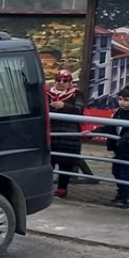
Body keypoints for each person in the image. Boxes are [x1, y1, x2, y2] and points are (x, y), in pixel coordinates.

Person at [46, 69, 82, 197]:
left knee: (66, 163)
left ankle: (62, 188)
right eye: (58, 80)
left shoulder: (76, 94)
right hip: (52, 131)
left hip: (69, 134)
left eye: (65, 81)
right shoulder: (47, 93)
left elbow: (79, 109)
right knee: (49, 161)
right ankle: (46, 188)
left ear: (70, 82)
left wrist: (64, 106)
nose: (61, 83)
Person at [102, 85, 129, 208]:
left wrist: (124, 139)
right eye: (120, 99)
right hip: (118, 147)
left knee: (125, 172)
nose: (122, 102)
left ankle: (123, 195)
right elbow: (110, 126)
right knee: (116, 170)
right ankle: (123, 191)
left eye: (126, 100)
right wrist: (94, 131)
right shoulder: (119, 112)